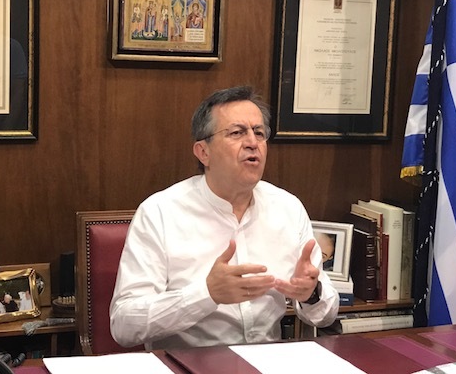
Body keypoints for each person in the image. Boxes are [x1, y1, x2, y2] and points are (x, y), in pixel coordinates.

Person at [110, 86, 338, 350]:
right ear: (203, 152)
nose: (252, 142)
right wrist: (206, 294)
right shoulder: (159, 212)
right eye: (237, 132)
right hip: (189, 362)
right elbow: (124, 325)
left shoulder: (288, 207)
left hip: (266, 360)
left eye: (259, 133)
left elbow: (326, 315)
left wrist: (311, 294)